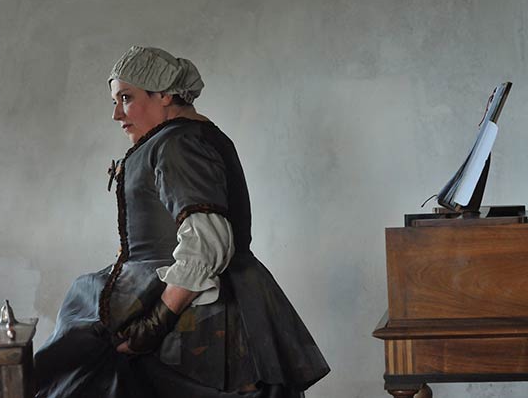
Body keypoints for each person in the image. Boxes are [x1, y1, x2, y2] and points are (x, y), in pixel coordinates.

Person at [34, 46, 330, 397]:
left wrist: (155, 323)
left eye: (126, 98)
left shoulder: (178, 143)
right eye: (115, 101)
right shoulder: (188, 137)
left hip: (199, 316)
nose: (116, 114)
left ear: (164, 94)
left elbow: (207, 243)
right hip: (198, 303)